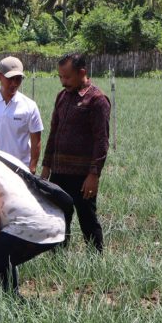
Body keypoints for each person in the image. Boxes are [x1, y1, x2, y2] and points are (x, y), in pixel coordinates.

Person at [0, 121, 65, 294]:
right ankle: (13, 301)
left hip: (28, 226)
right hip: (55, 224)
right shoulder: (10, 159)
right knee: (1, 261)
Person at [41, 53, 111, 253]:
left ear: (82, 72)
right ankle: (58, 261)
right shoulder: (62, 97)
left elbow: (101, 140)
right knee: (59, 218)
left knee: (87, 218)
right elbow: (53, 133)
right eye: (60, 77)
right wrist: (46, 168)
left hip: (83, 176)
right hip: (59, 172)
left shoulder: (97, 100)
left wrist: (93, 175)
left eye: (67, 77)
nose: (63, 82)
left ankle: (95, 260)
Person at [0, 56, 44, 229]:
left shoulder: (29, 106)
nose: (14, 83)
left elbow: (36, 140)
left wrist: (32, 168)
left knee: (16, 219)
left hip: (19, 172)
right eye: (10, 79)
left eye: (18, 79)